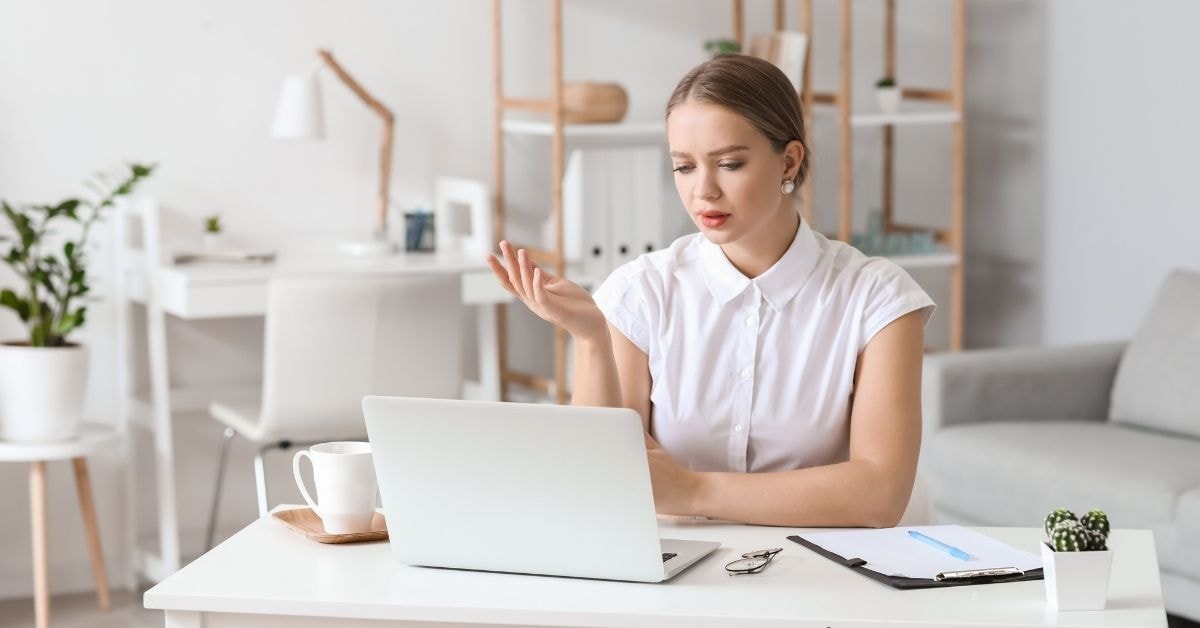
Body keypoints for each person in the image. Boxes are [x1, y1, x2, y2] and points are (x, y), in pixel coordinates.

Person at [486, 54, 935, 528]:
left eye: (729, 163)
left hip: (826, 572)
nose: (703, 191)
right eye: (683, 167)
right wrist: (592, 340)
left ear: (789, 160)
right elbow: (597, 481)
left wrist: (693, 489)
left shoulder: (878, 300)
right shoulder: (642, 292)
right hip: (673, 570)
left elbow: (880, 494)